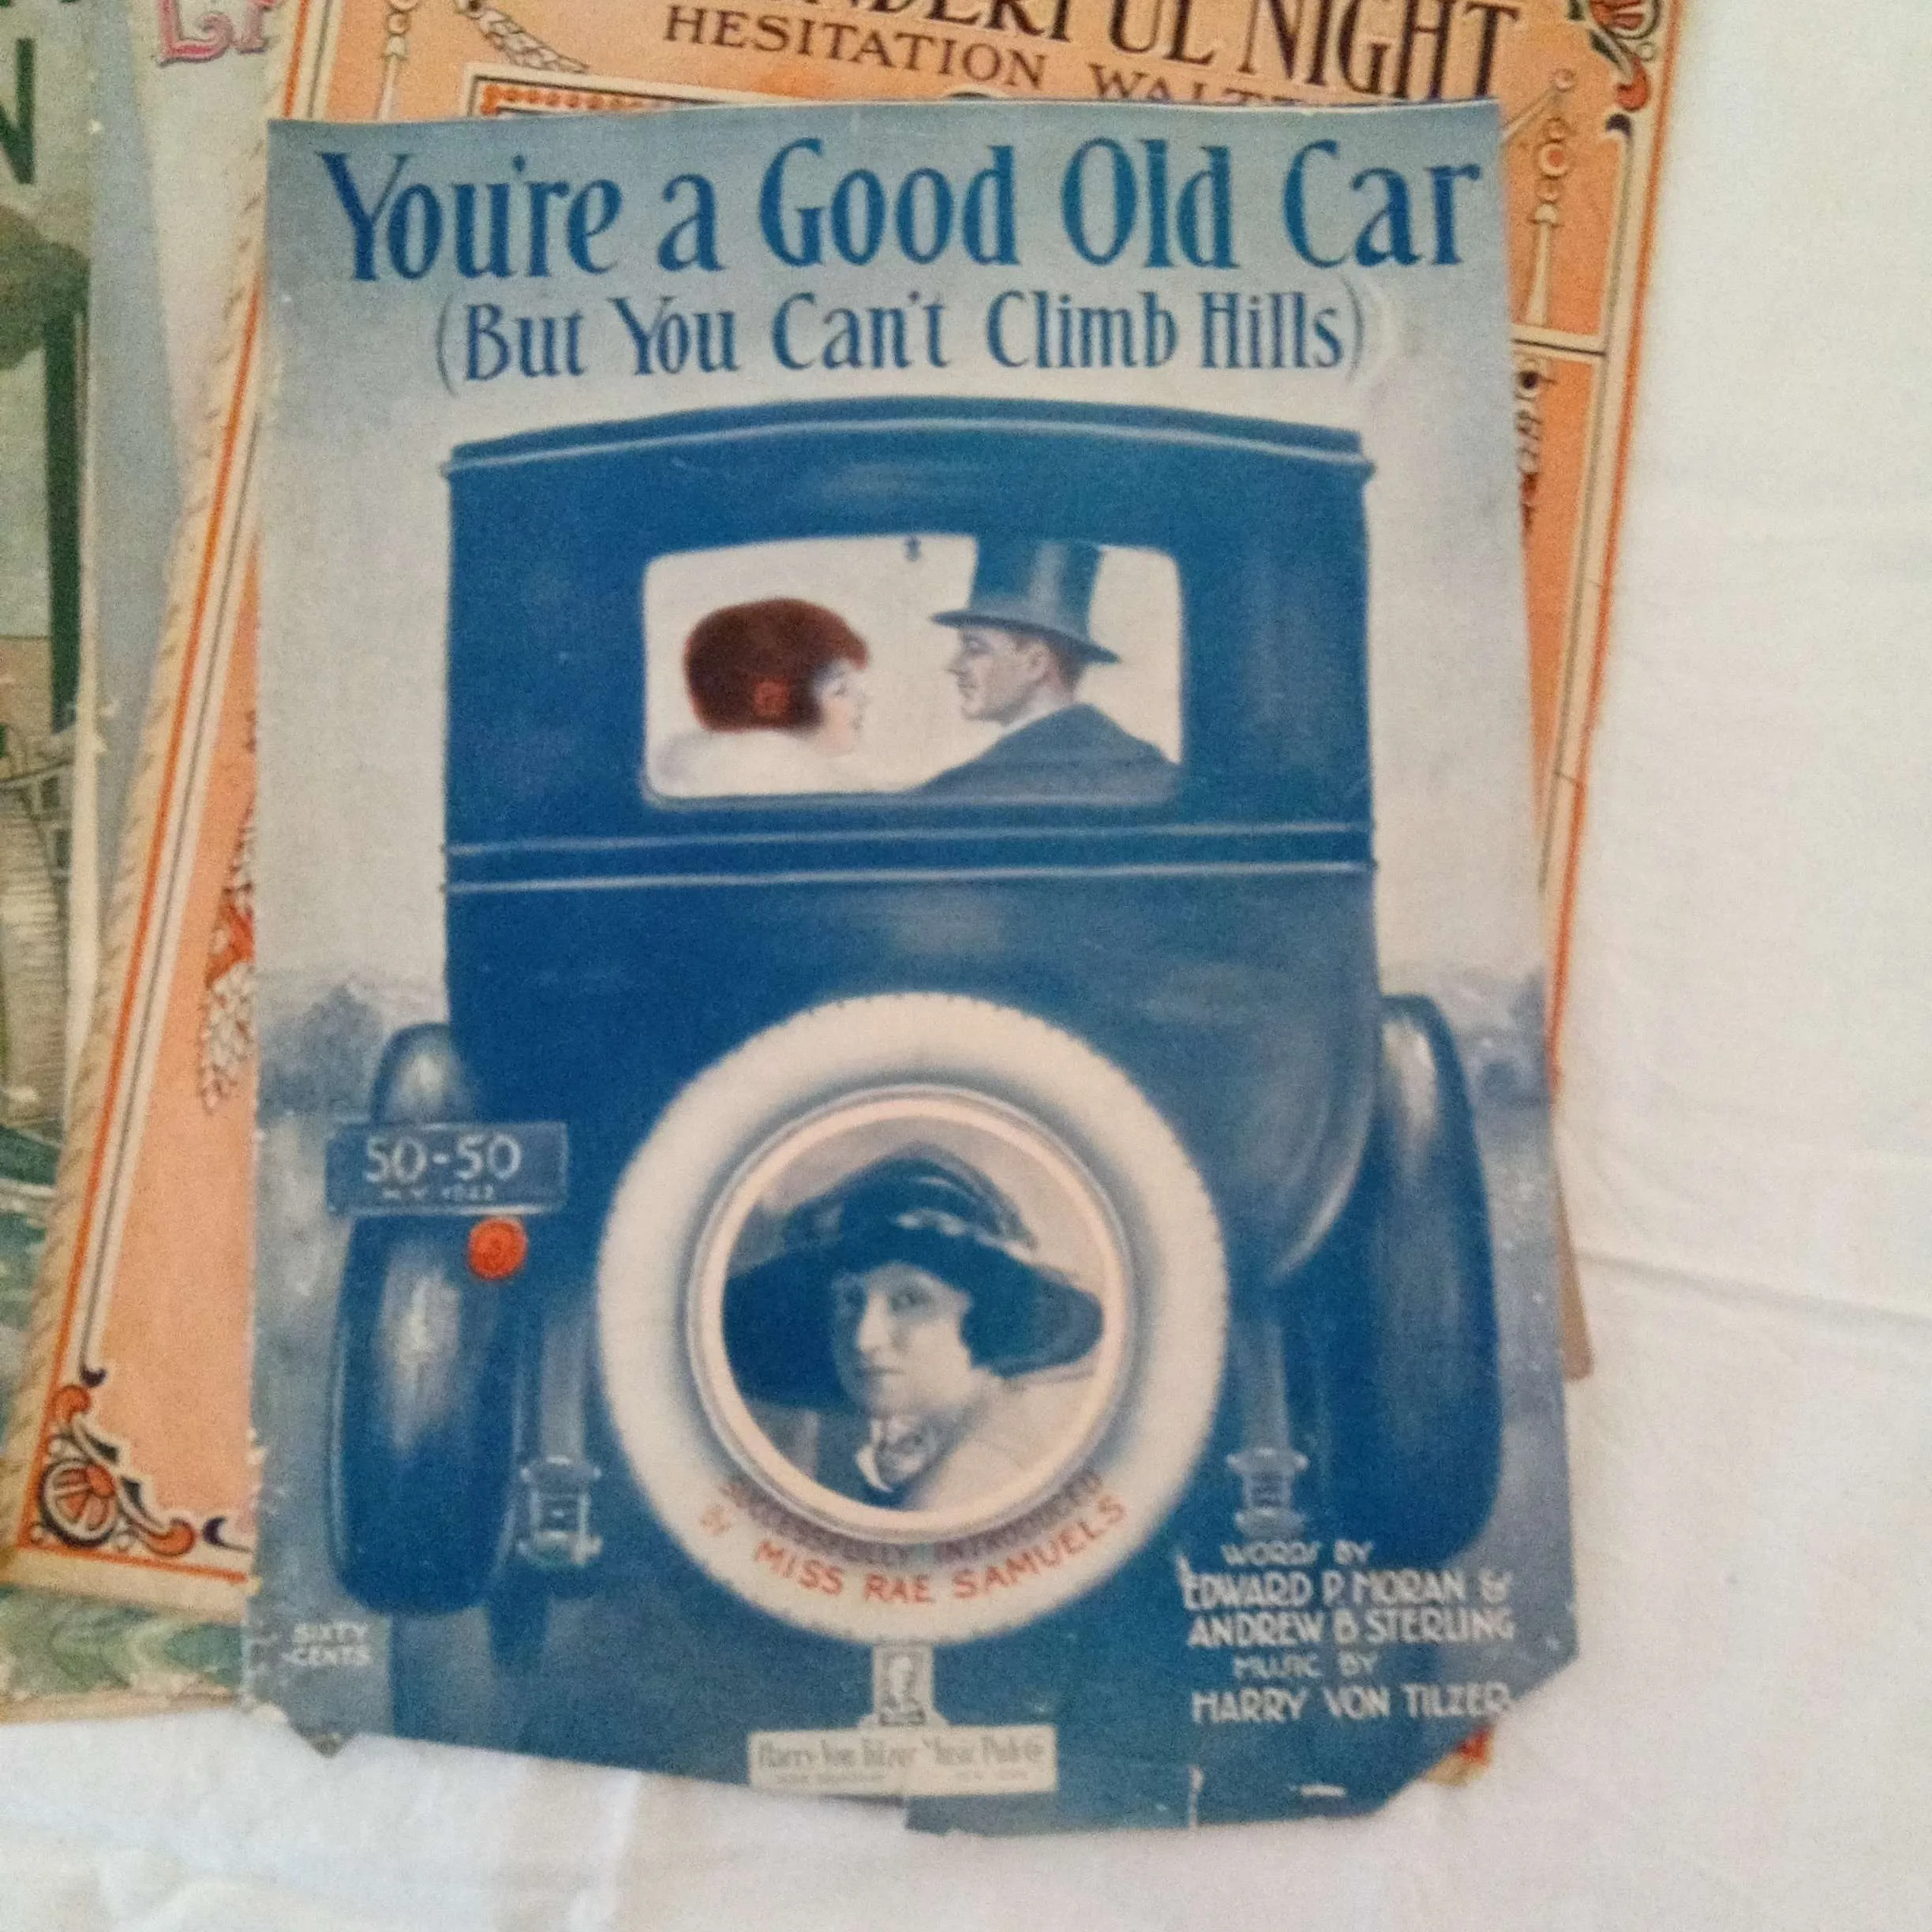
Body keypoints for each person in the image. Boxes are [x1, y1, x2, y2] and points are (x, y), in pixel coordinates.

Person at [721, 1150, 1104, 1514]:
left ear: (989, 1313)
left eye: (908, 1300)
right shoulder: (969, 1443)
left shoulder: (955, 1490)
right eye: (849, 1300)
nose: (864, 1339)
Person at [919, 537, 1175, 802]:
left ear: (1035, 663)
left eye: (974, 649)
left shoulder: (965, 791)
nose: (953, 666)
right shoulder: (1154, 773)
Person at [652, 597, 871, 796]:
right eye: (841, 689)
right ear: (770, 701)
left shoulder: (666, 778)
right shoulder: (819, 789)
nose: (863, 700)